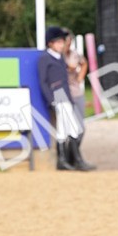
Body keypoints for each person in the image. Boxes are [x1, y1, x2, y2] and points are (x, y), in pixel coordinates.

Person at [37, 25, 82, 171]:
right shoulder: (45, 58)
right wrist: (51, 100)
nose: (62, 45)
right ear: (51, 43)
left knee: (65, 129)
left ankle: (65, 160)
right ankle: (75, 159)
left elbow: (65, 81)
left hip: (65, 95)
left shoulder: (60, 58)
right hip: (57, 95)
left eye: (63, 42)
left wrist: (70, 99)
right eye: (59, 42)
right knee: (72, 128)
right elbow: (43, 81)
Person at [65, 31, 96, 171]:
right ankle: (72, 158)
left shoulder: (74, 54)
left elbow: (83, 63)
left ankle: (73, 157)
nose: (68, 43)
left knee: (80, 128)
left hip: (76, 93)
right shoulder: (58, 57)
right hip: (63, 95)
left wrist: (80, 77)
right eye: (67, 41)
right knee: (69, 129)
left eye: (70, 41)